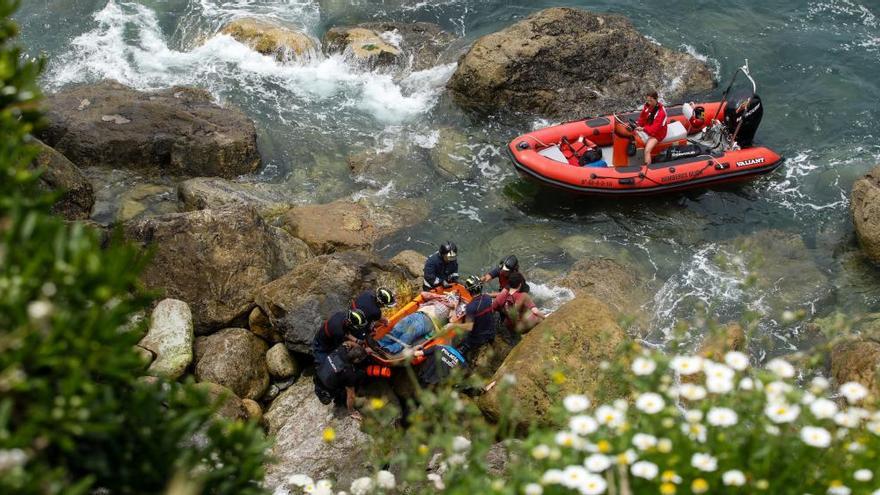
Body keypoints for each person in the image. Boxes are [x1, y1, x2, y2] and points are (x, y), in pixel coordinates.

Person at [311, 309, 370, 404]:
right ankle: (322, 392)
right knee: (324, 370)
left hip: (329, 340)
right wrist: (363, 351)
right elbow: (343, 342)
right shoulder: (338, 333)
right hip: (322, 347)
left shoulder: (343, 316)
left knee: (333, 368)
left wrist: (358, 343)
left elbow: (347, 337)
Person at [374, 291, 462, 355]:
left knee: (410, 332)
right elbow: (423, 294)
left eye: (453, 297)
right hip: (418, 313)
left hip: (429, 321)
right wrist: (438, 296)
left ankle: (390, 349)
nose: (449, 298)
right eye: (450, 295)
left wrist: (454, 307)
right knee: (399, 326)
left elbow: (453, 321)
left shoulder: (453, 309)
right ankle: (381, 343)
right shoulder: (438, 299)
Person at [446, 275, 497, 359]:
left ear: (469, 290)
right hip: (491, 333)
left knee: (459, 345)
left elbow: (469, 327)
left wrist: (453, 325)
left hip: (478, 338)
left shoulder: (471, 307)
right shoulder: (488, 298)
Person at [315, 341, 368, 418]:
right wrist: (351, 411)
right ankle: (340, 400)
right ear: (357, 360)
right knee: (359, 375)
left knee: (341, 376)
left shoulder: (341, 349)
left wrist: (360, 348)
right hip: (328, 389)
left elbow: (347, 342)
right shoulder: (349, 373)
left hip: (318, 378)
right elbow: (351, 396)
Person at [635, 90, 668, 166]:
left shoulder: (661, 113)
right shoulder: (647, 106)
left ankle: (648, 169)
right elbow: (642, 118)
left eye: (651, 100)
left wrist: (643, 129)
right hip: (649, 126)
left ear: (656, 99)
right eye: (648, 100)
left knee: (647, 150)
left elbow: (655, 130)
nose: (649, 102)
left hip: (658, 133)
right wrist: (638, 125)